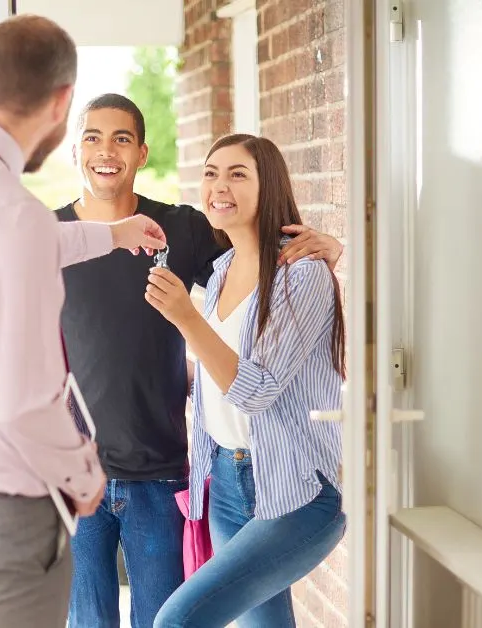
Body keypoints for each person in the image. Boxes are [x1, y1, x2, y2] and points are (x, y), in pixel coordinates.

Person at [0, 16, 171, 628]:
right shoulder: (12, 216)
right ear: (62, 103)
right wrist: (82, 473)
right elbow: (24, 400)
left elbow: (12, 245)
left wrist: (111, 234)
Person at [56, 94, 344, 628]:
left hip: (162, 472)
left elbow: (265, 270)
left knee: (168, 618)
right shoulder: (50, 240)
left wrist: (328, 246)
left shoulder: (181, 230)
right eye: (93, 137)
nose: (106, 150)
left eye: (122, 138)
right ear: (75, 150)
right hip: (74, 475)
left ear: (142, 153)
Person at [145, 133, 347, 627]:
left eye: (238, 174)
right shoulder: (219, 273)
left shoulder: (300, 273)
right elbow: (220, 376)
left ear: (269, 186)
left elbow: (255, 390)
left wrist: (185, 319)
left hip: (295, 488)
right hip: (229, 480)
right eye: (211, 173)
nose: (219, 185)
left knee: (177, 620)